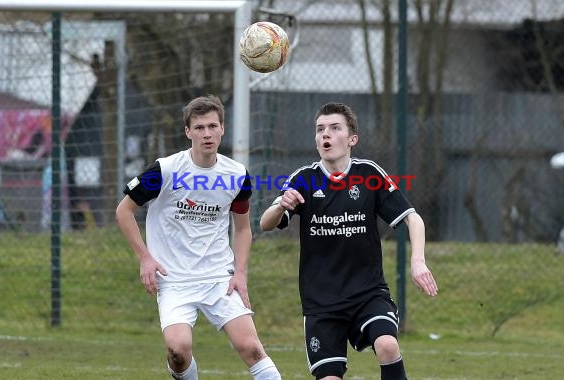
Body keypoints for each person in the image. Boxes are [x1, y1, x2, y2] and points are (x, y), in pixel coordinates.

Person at [260, 102, 438, 380]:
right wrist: (281, 205)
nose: (325, 135)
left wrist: (418, 262)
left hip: (367, 294)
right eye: (320, 129)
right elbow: (265, 223)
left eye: (334, 128)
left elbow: (413, 219)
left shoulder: (368, 174)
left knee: (388, 345)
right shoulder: (303, 179)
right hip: (321, 303)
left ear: (352, 139)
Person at [116, 95, 281, 380]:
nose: (207, 133)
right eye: (200, 127)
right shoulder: (165, 170)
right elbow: (124, 211)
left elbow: (242, 228)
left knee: (251, 348)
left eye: (212, 126)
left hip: (218, 276)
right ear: (188, 132)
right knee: (178, 351)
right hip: (174, 279)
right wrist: (145, 258)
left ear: (222, 129)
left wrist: (239, 273)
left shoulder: (237, 174)